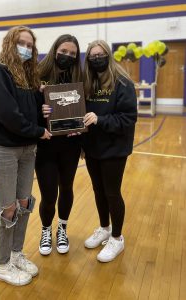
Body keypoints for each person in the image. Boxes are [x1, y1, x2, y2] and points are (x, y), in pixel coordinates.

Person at [0, 25, 51, 286]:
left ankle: (16, 254)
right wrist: (38, 130)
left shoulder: (27, 74)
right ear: (10, 42)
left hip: (28, 149)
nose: (25, 48)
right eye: (21, 42)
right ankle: (1, 264)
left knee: (23, 203)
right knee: (7, 208)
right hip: (5, 150)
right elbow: (7, 113)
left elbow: (30, 108)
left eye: (30, 45)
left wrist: (42, 103)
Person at [82, 40, 137, 262]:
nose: (97, 59)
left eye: (100, 54)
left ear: (108, 55)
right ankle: (104, 228)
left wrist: (99, 119)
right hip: (92, 147)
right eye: (92, 56)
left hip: (114, 148)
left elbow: (128, 118)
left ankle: (117, 237)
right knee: (98, 191)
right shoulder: (87, 83)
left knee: (112, 192)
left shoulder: (122, 83)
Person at [35, 34, 82, 255]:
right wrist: (39, 109)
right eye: (64, 51)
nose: (67, 56)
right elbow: (27, 109)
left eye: (72, 53)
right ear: (55, 50)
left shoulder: (78, 76)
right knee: (48, 193)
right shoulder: (38, 75)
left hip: (70, 145)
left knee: (66, 188)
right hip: (45, 146)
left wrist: (80, 125)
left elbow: (85, 107)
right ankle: (46, 230)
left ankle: (62, 228)